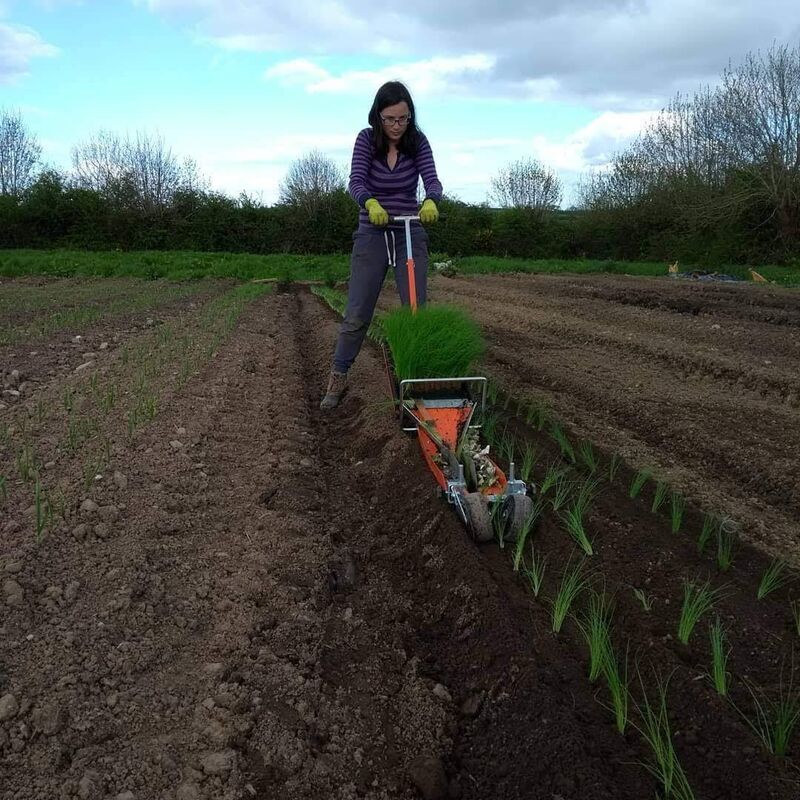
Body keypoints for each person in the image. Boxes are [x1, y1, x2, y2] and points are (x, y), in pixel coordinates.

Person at [320, 80, 442, 410]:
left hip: (408, 230)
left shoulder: (418, 142)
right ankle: (338, 376)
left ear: (410, 116)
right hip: (372, 231)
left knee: (415, 310)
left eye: (403, 119)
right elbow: (356, 181)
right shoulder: (366, 139)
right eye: (390, 119)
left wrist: (431, 199)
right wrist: (370, 202)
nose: (396, 126)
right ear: (378, 116)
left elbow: (431, 179)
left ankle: (415, 378)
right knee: (357, 312)